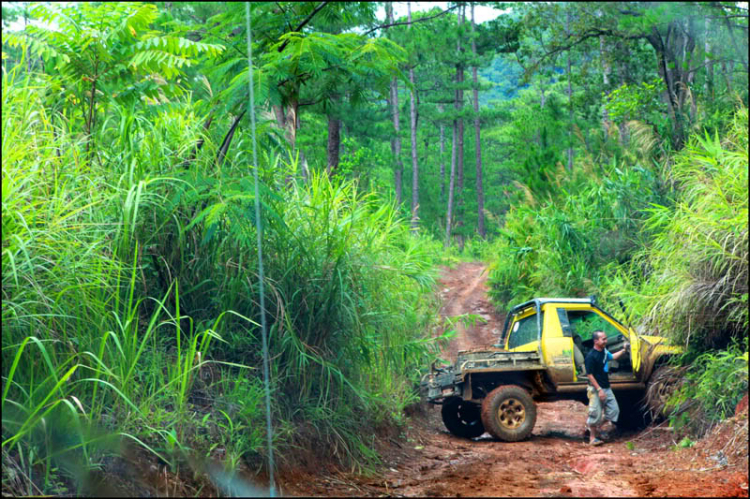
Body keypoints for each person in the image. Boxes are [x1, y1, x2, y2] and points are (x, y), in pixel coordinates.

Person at [584, 330, 629, 446]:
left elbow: (611, 357)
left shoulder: (603, 351)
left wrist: (624, 350)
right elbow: (589, 375)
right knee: (595, 413)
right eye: (603, 339)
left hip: (606, 387)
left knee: (614, 410)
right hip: (596, 389)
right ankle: (592, 438)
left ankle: (595, 426)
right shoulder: (591, 356)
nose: (606, 341)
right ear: (596, 341)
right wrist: (599, 390)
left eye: (605, 338)